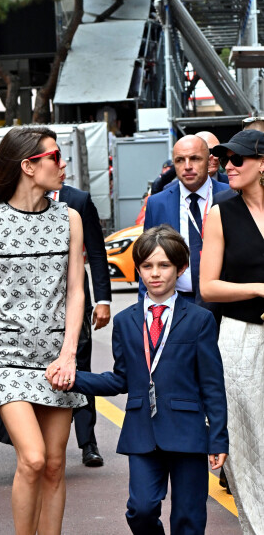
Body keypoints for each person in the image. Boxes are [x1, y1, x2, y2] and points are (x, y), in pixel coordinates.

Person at [0, 126, 87, 534]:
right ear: (29, 166)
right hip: (7, 358)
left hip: (56, 357)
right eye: (55, 158)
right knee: (31, 458)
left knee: (53, 463)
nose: (63, 166)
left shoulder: (70, 218)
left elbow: (76, 292)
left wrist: (68, 353)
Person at [72, 224, 228, 535]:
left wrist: (218, 438)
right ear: (139, 269)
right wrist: (73, 379)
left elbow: (212, 384)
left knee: (189, 517)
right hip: (142, 431)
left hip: (188, 433)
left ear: (181, 268)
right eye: (147, 266)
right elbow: (120, 380)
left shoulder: (199, 319)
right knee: (140, 510)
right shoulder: (126, 321)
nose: (155, 273)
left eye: (164, 265)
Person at [200, 129, 264, 534]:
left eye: (238, 159)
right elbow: (208, 286)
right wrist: (259, 288)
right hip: (241, 339)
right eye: (225, 159)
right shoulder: (220, 212)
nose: (229, 166)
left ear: (263, 164)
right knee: (246, 443)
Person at [53, 183, 111, 467]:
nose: (59, 166)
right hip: (35, 301)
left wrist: (103, 300)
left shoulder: (78, 200)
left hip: (76, 295)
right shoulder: (16, 196)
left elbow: (97, 252)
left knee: (80, 365)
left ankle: (88, 442)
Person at [142, 134, 229, 303]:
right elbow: (146, 259)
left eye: (195, 159)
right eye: (180, 160)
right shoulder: (157, 203)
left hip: (225, 303)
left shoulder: (231, 197)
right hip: (176, 302)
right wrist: (145, 310)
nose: (187, 166)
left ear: (209, 161)